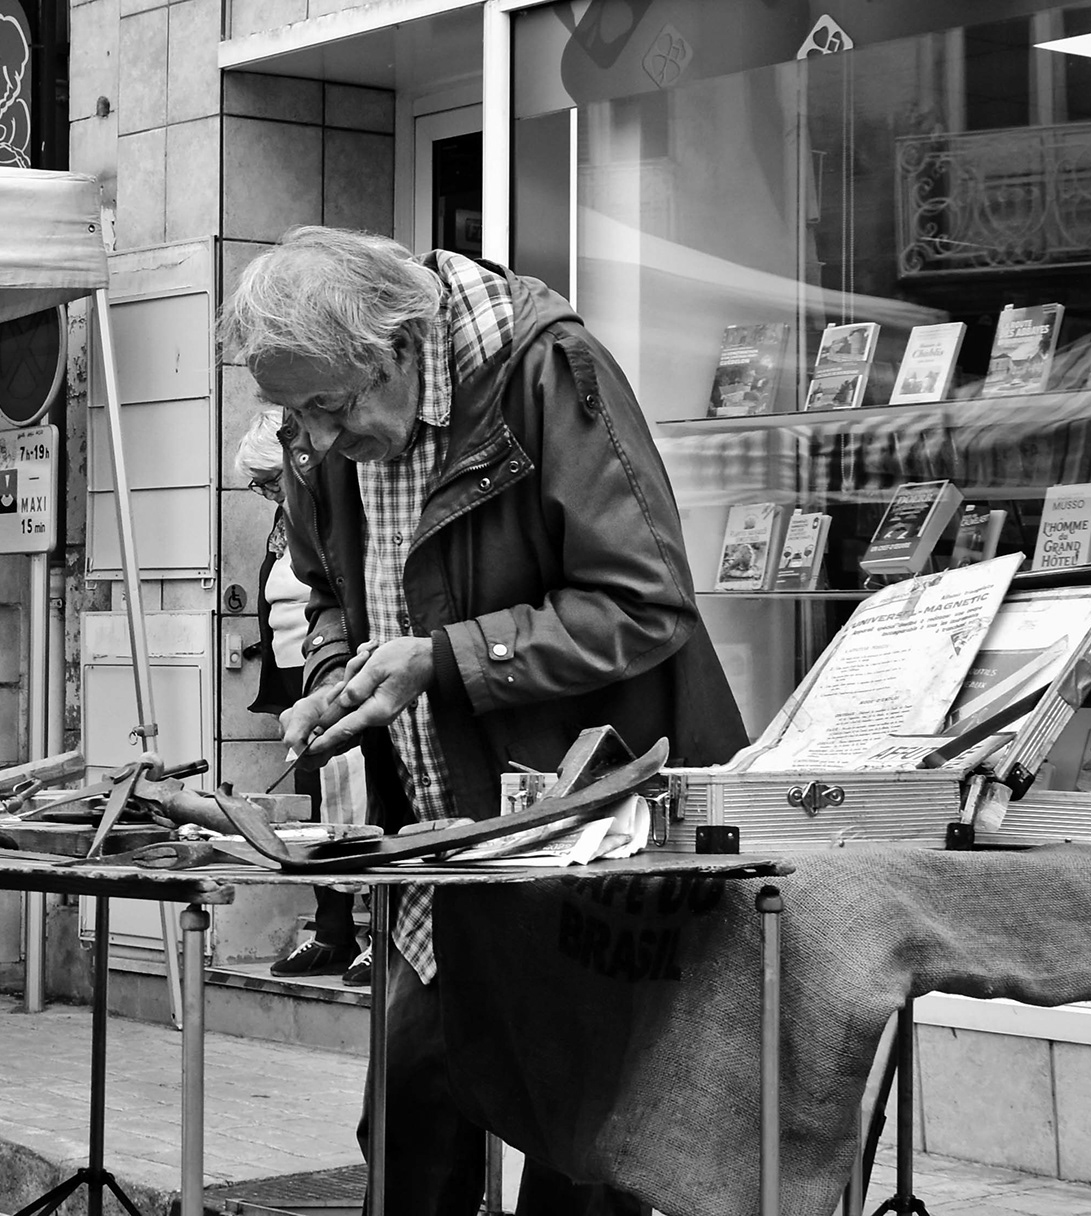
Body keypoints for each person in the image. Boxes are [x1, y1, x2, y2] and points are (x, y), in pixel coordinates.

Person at [218, 226, 750, 1216]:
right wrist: (336, 672)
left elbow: (645, 603)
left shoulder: (547, 371)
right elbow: (325, 588)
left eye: (329, 408)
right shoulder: (323, 424)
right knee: (410, 1130)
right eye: (294, 416)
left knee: (578, 1160)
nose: (315, 442)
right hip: (441, 850)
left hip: (579, 846)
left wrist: (445, 658)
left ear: (399, 346)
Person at [235, 411, 366, 983]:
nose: (268, 494)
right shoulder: (286, 519)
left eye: (269, 482)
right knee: (318, 808)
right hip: (299, 676)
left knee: (357, 804)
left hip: (341, 674)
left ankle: (377, 932)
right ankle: (333, 930)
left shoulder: (333, 506)